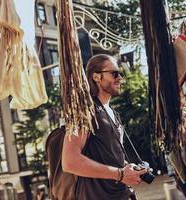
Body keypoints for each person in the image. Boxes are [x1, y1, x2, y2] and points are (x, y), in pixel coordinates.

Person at [62, 54, 147, 200]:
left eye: (120, 73)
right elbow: (69, 161)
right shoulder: (85, 111)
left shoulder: (113, 113)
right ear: (96, 77)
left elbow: (109, 158)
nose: (120, 78)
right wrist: (119, 174)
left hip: (122, 194)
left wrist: (129, 169)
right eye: (114, 73)